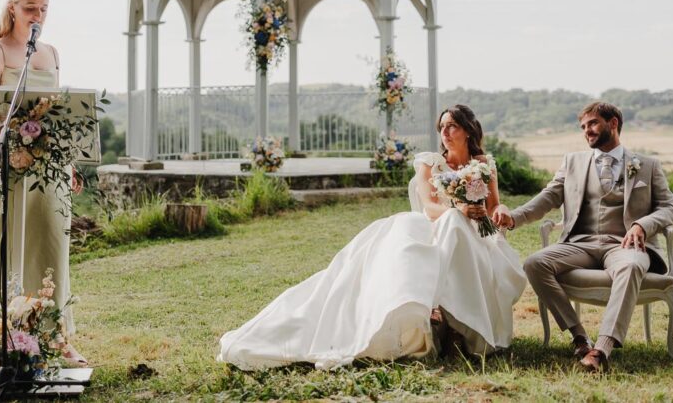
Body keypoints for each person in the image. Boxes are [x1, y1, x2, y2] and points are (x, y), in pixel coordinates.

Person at [217, 104, 526, 370]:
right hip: (440, 224)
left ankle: (458, 325)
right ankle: (436, 310)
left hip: (478, 232)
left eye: (453, 126)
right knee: (452, 224)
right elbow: (430, 204)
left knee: (460, 226)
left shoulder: (484, 164)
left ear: (469, 130)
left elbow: (494, 202)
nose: (445, 132)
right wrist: (458, 206)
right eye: (442, 126)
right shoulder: (430, 161)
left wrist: (498, 212)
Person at [493, 102, 673, 373]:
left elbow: (669, 208)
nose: (587, 131)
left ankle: (602, 349)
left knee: (631, 265)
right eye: (583, 127)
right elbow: (548, 197)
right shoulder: (573, 162)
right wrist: (515, 217)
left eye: (592, 124)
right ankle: (579, 337)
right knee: (535, 263)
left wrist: (642, 225)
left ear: (613, 123)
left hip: (624, 246)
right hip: (580, 243)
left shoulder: (648, 166)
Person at [0, 0, 87, 366]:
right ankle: (10, 333)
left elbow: (57, 112)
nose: (38, 15)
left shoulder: (52, 52)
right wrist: (15, 145)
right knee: (19, 247)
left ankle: (59, 336)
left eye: (43, 9)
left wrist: (69, 163)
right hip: (17, 165)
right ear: (12, 8)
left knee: (54, 248)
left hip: (52, 167)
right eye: (30, 8)